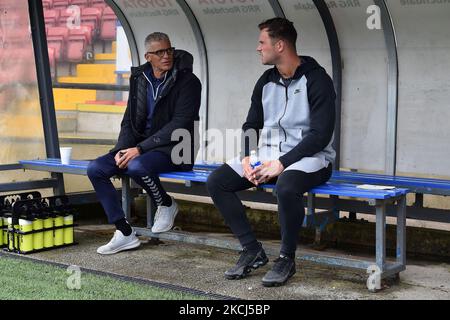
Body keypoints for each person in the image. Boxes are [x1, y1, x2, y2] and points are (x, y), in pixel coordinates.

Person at [206, 18, 336, 287]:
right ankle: (251, 249)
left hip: (312, 159)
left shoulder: (318, 79)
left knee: (287, 187)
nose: (258, 48)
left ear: (279, 45)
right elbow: (251, 125)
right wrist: (247, 157)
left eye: (261, 42)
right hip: (269, 155)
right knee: (217, 181)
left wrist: (282, 163)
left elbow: (320, 135)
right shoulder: (266, 80)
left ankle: (286, 258)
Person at [87, 32, 201, 255]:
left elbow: (180, 123)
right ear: (148, 56)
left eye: (169, 50)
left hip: (177, 149)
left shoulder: (188, 81)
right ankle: (124, 232)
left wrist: (139, 149)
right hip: (140, 148)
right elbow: (129, 119)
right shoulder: (140, 78)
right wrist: (122, 149)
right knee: (96, 169)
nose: (167, 56)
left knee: (136, 165)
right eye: (160, 52)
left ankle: (166, 203)